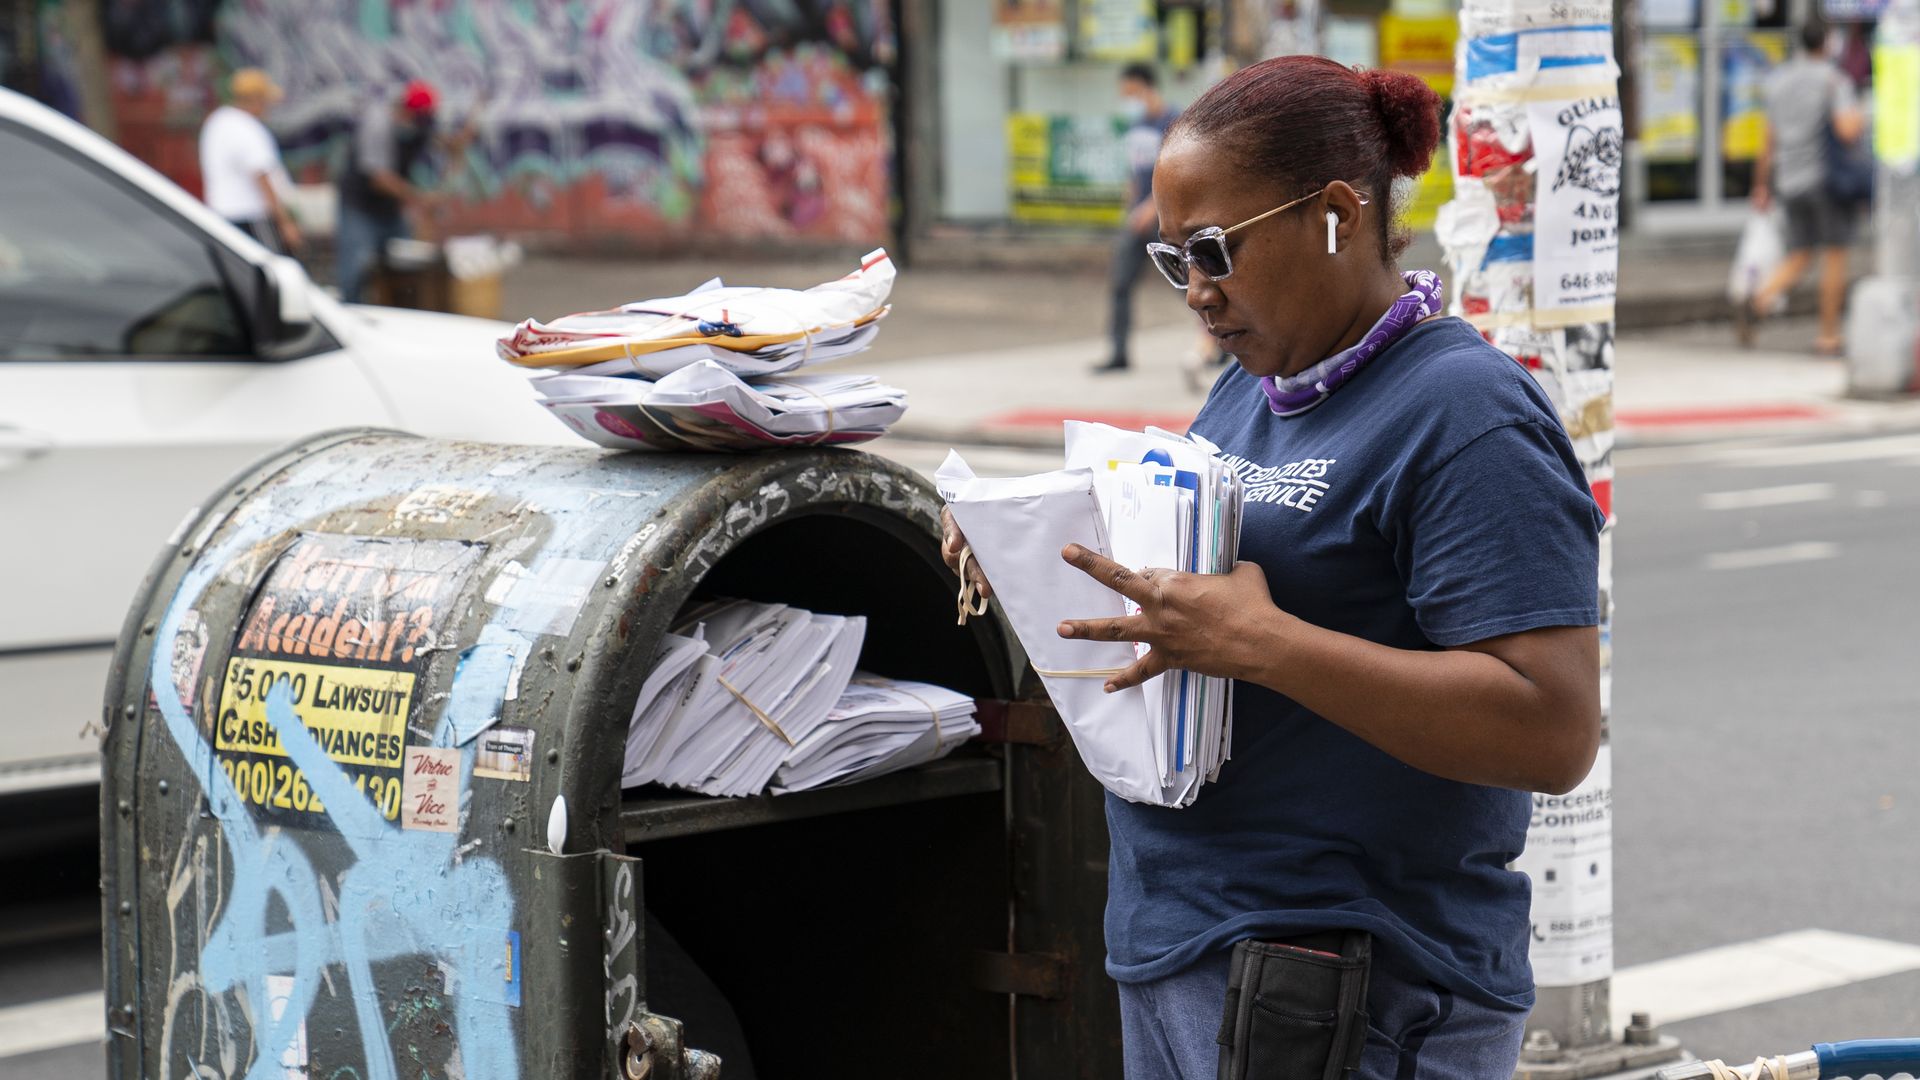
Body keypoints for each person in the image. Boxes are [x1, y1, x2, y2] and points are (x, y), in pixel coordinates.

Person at [942, 56, 1604, 1080]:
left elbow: (1552, 728)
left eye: (1215, 251)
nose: (1198, 295)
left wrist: (1270, 646)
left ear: (1337, 213)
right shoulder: (1257, 387)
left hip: (1349, 986)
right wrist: (1021, 537)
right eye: (1174, 261)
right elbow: (1195, 592)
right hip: (1186, 945)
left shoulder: (1464, 415)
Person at [1742, 20, 1867, 356]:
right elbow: (1846, 130)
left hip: (1789, 181)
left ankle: (1760, 300)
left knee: (1800, 253)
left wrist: (1761, 186)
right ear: (1827, 43)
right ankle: (1828, 336)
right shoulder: (1833, 80)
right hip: (1825, 180)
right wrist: (1863, 118)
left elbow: (1768, 143)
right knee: (1834, 255)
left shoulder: (1778, 80)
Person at [335, 79, 471, 304]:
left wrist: (457, 145)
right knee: (355, 269)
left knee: (404, 266)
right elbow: (379, 179)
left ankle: (398, 313)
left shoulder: (420, 123)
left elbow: (443, 142)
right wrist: (421, 198)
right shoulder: (378, 125)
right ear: (406, 110)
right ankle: (350, 314)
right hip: (360, 206)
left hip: (391, 209)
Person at [1094, 62, 1177, 374]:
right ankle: (1118, 353)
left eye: (1130, 93)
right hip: (1136, 219)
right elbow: (1135, 173)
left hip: (1164, 218)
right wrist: (1131, 207)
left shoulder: (1173, 123)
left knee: (1187, 287)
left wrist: (1150, 209)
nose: (1127, 100)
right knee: (1120, 284)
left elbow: (1176, 175)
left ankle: (1217, 346)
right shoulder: (1136, 126)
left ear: (1146, 88)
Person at [198, 68, 300, 255]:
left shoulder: (217, 121)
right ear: (255, 99)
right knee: (271, 271)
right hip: (251, 217)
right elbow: (261, 176)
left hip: (222, 214)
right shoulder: (248, 127)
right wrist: (284, 222)